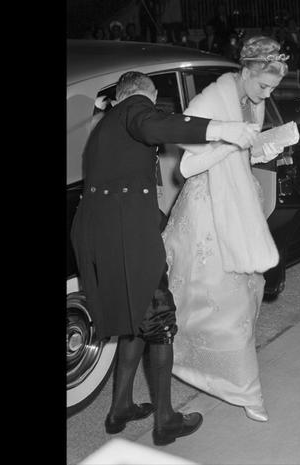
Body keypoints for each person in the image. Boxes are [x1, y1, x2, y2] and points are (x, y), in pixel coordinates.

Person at [70, 71, 260, 445]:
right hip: (124, 236)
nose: (153, 108)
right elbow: (152, 125)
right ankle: (166, 421)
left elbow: (121, 185)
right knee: (159, 320)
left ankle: (120, 407)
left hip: (102, 230)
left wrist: (165, 224)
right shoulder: (134, 109)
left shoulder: (104, 127)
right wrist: (221, 128)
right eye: (153, 101)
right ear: (141, 94)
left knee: (136, 318)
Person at [162, 36, 289, 423]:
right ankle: (244, 389)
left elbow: (245, 149)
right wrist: (230, 142)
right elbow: (184, 168)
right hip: (207, 211)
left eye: (272, 88)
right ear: (246, 70)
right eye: (263, 85)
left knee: (249, 291)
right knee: (218, 300)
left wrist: (264, 147)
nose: (266, 94)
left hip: (239, 203)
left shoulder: (254, 100)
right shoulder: (207, 103)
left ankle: (216, 368)